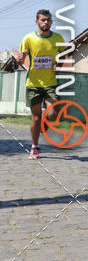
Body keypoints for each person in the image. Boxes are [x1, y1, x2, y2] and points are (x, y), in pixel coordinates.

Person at [13, 10, 63, 158]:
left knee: (53, 114)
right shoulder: (29, 38)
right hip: (33, 83)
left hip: (50, 83)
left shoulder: (58, 38)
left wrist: (59, 65)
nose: (45, 22)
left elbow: (65, 54)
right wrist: (20, 59)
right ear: (37, 22)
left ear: (51, 22)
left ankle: (45, 120)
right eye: (43, 20)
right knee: (35, 118)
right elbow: (20, 61)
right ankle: (35, 147)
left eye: (48, 20)